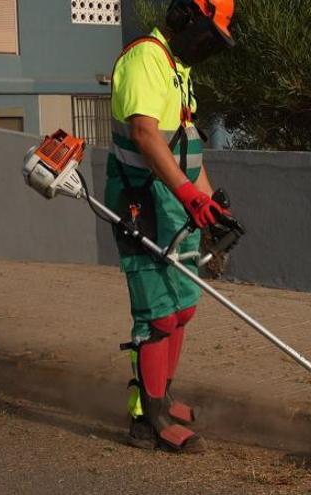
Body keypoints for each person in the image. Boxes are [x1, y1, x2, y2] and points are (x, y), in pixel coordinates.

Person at [105, 0, 236, 453]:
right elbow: (144, 134)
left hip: (173, 200)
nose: (207, 47)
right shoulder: (145, 58)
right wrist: (187, 195)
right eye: (206, 35)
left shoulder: (176, 68)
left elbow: (183, 143)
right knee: (158, 314)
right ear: (184, 19)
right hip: (142, 202)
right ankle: (149, 420)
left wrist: (211, 204)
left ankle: (164, 394)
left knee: (182, 308)